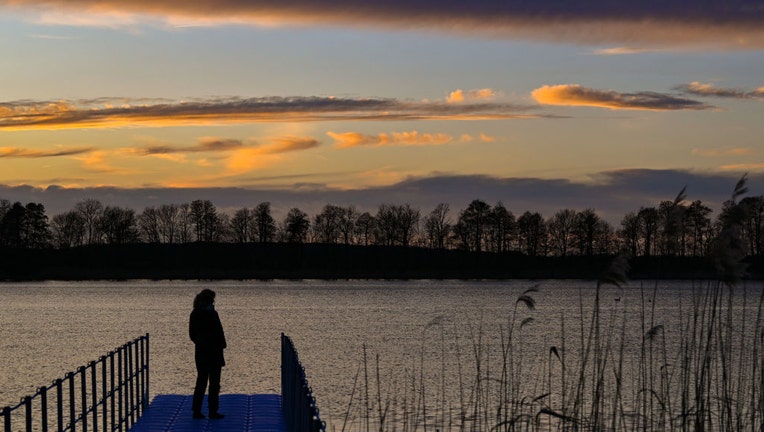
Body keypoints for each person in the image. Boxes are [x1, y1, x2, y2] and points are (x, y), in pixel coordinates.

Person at [189, 288, 227, 419]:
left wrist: (200, 343)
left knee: (203, 381)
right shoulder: (210, 314)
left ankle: (198, 410)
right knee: (212, 383)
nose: (213, 302)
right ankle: (211, 410)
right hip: (212, 353)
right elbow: (218, 332)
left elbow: (192, 335)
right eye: (212, 300)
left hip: (203, 352)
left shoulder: (195, 313)